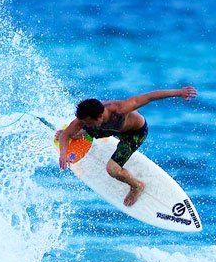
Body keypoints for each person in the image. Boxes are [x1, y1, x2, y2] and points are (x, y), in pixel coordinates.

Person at [56, 86, 197, 206]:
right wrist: (63, 153)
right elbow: (64, 136)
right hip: (110, 129)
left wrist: (179, 92)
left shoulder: (120, 109)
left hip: (133, 134)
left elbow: (150, 97)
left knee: (112, 169)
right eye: (83, 122)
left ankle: (137, 186)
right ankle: (81, 133)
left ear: (99, 116)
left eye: (87, 122)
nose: (84, 123)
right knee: (73, 131)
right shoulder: (87, 118)